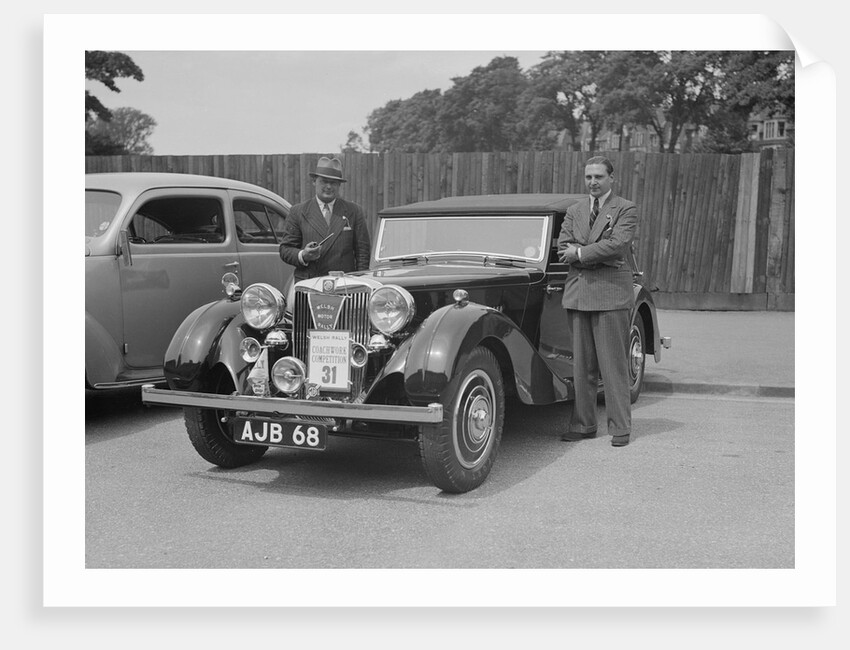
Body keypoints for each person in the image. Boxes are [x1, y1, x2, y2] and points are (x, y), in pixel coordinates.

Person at [557, 156, 638, 447]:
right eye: (589, 177)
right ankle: (583, 424)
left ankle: (620, 428)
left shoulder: (625, 208)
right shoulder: (575, 210)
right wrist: (594, 254)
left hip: (610, 294)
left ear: (611, 179)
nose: (593, 182)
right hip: (579, 294)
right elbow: (561, 246)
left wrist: (579, 255)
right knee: (582, 366)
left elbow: (617, 245)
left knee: (612, 365)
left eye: (599, 177)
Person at [279, 156, 371, 280]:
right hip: (309, 284)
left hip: (343, 285)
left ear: (339, 185)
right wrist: (303, 255)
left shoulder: (353, 211)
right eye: (324, 181)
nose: (328, 186)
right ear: (314, 181)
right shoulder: (298, 211)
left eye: (333, 182)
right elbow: (285, 250)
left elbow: (363, 253)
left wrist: (360, 282)